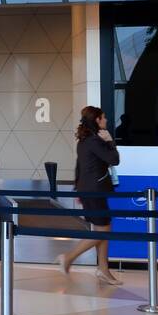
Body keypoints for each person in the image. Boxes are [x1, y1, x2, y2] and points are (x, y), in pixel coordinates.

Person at [57, 106, 122, 285]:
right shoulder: (95, 140)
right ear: (97, 120)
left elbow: (79, 167)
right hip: (95, 191)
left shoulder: (84, 140)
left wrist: (78, 188)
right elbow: (114, 159)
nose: (106, 121)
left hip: (89, 190)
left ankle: (103, 269)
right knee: (104, 231)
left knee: (103, 229)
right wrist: (110, 142)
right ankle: (69, 257)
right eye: (104, 118)